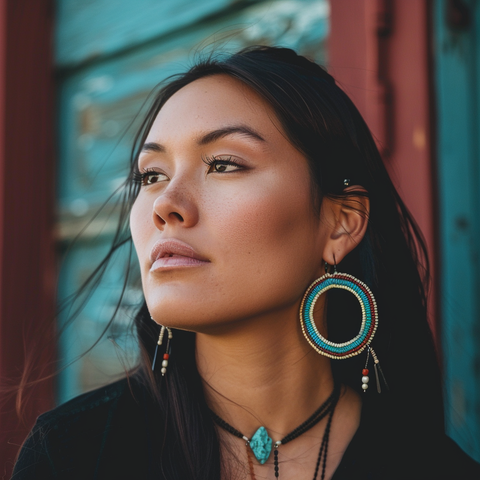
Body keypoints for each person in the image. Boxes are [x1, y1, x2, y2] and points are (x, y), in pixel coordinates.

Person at [12, 46, 480, 480]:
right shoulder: (72, 456)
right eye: (151, 175)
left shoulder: (431, 468)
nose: (165, 204)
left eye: (223, 163)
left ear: (340, 224)